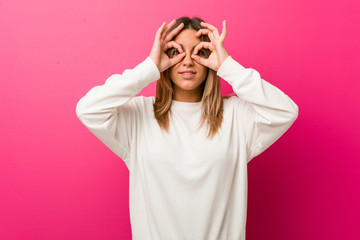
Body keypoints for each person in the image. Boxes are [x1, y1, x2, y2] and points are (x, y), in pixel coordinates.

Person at [76, 16, 299, 240]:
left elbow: (285, 111)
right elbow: (88, 109)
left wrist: (228, 66)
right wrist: (150, 67)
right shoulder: (139, 116)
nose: (188, 61)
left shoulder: (237, 116)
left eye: (198, 52)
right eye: (177, 52)